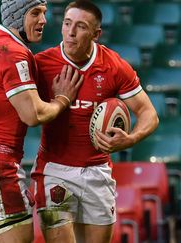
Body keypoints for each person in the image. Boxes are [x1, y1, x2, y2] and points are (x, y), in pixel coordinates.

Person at [30, 1, 159, 242]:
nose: (71, 32)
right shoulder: (41, 64)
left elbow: (149, 113)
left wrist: (129, 140)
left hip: (97, 171)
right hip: (54, 170)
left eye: (80, 26)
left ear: (96, 34)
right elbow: (21, 108)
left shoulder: (113, 66)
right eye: (67, 23)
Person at [0, 0, 83, 242]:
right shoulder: (13, 52)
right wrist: (62, 100)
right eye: (35, 13)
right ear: (16, 15)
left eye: (44, 13)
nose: (44, 20)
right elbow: (32, 115)